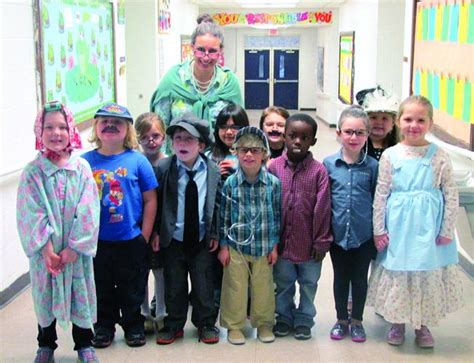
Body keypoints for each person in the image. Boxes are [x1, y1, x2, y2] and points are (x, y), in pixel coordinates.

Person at [367, 95, 464, 348]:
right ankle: (397, 323)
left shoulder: (438, 155)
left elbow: (450, 193)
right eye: (408, 119)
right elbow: (381, 194)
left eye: (421, 120)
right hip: (398, 228)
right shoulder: (390, 155)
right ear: (399, 121)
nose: (414, 125)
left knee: (424, 274)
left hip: (429, 229)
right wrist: (379, 230)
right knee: (399, 273)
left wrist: (446, 229)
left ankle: (422, 326)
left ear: (430, 123)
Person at [17, 101, 100, 363]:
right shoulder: (33, 172)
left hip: (76, 253)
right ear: (39, 132)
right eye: (49, 127)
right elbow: (31, 211)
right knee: (45, 295)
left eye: (62, 127)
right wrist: (46, 248)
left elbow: (88, 209)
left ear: (71, 130)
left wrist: (75, 247)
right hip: (47, 255)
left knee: (81, 294)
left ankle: (85, 344)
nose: (56, 133)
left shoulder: (81, 168)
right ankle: (45, 345)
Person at [82, 103, 158, 348]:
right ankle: (104, 326)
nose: (110, 125)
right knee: (100, 286)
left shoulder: (138, 161)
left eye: (118, 122)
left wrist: (143, 236)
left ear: (128, 130)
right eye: (104, 121)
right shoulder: (84, 163)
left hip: (130, 239)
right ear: (96, 128)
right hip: (97, 242)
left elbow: (150, 200)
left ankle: (133, 325)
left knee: (132, 287)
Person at [154, 113, 221, 345]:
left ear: (201, 145)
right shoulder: (164, 167)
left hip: (201, 239)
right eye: (178, 138)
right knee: (174, 284)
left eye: (189, 139)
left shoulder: (211, 170)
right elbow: (157, 203)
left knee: (204, 284)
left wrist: (214, 234)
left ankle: (206, 323)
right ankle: (173, 324)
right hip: (174, 239)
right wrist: (155, 232)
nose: (182, 143)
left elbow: (216, 204)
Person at [268, 113, 332, 340]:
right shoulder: (273, 167)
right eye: (293, 136)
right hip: (282, 244)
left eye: (304, 138)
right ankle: (284, 317)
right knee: (283, 283)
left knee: (308, 284)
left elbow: (323, 209)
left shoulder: (318, 172)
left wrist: (322, 242)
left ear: (313, 141)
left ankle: (304, 319)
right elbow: (268, 207)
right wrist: (270, 241)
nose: (297, 141)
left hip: (309, 245)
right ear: (284, 137)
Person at [218, 126, 281, 345]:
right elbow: (224, 217)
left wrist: (274, 245)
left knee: (263, 288)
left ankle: (264, 323)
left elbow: (276, 216)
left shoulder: (273, 184)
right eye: (243, 149)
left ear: (264, 153)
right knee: (235, 287)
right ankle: (235, 326)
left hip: (264, 245)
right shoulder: (230, 184)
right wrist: (224, 246)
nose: (248, 155)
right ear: (235, 151)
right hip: (236, 247)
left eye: (255, 150)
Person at [323, 106, 378, 343]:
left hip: (363, 235)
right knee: (340, 278)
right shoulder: (328, 164)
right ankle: (341, 320)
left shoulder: (373, 167)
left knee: (359, 280)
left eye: (359, 132)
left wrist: (377, 233)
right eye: (348, 132)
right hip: (337, 236)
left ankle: (357, 321)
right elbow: (324, 201)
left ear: (367, 135)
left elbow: (378, 200)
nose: (354, 137)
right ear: (338, 133)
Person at [150, 14, 242, 154]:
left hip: (219, 164)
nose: (206, 56)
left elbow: (239, 128)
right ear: (192, 47)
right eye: (201, 50)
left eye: (212, 51)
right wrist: (163, 165)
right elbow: (159, 127)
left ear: (220, 51)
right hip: (177, 163)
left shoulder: (229, 83)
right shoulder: (173, 80)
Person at [134, 112, 167, 333]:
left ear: (164, 136)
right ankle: (144, 313)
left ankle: (162, 312)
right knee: (140, 272)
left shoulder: (168, 164)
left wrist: (157, 231)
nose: (151, 141)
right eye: (144, 137)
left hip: (161, 229)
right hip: (137, 228)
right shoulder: (134, 163)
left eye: (155, 135)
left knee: (161, 272)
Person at [206, 102, 250, 180]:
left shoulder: (255, 157)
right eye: (223, 127)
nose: (229, 132)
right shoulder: (208, 157)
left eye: (234, 127)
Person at [360, 88, 399, 161]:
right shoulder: (358, 144)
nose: (379, 122)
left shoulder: (399, 149)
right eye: (373, 117)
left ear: (393, 122)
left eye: (384, 118)